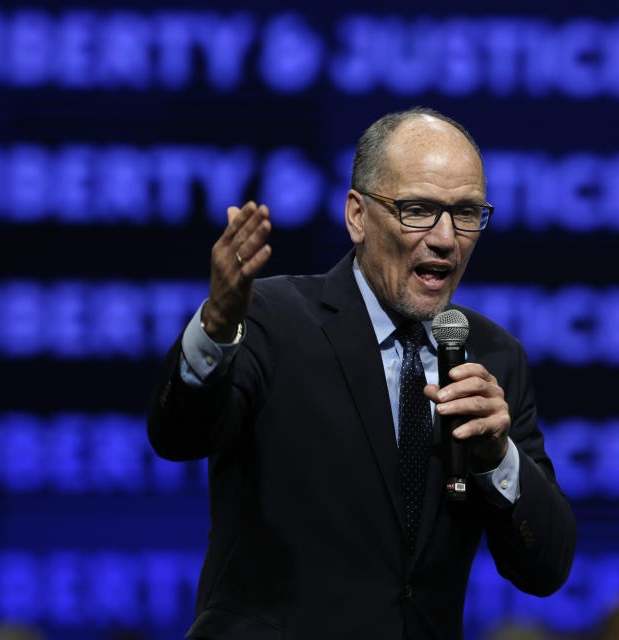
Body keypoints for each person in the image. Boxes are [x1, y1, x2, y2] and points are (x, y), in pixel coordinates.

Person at [148, 107, 576, 639]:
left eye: (466, 213)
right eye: (419, 209)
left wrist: (498, 458)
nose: (446, 238)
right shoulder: (271, 319)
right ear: (357, 216)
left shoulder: (493, 355)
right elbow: (177, 436)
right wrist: (215, 326)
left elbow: (547, 567)